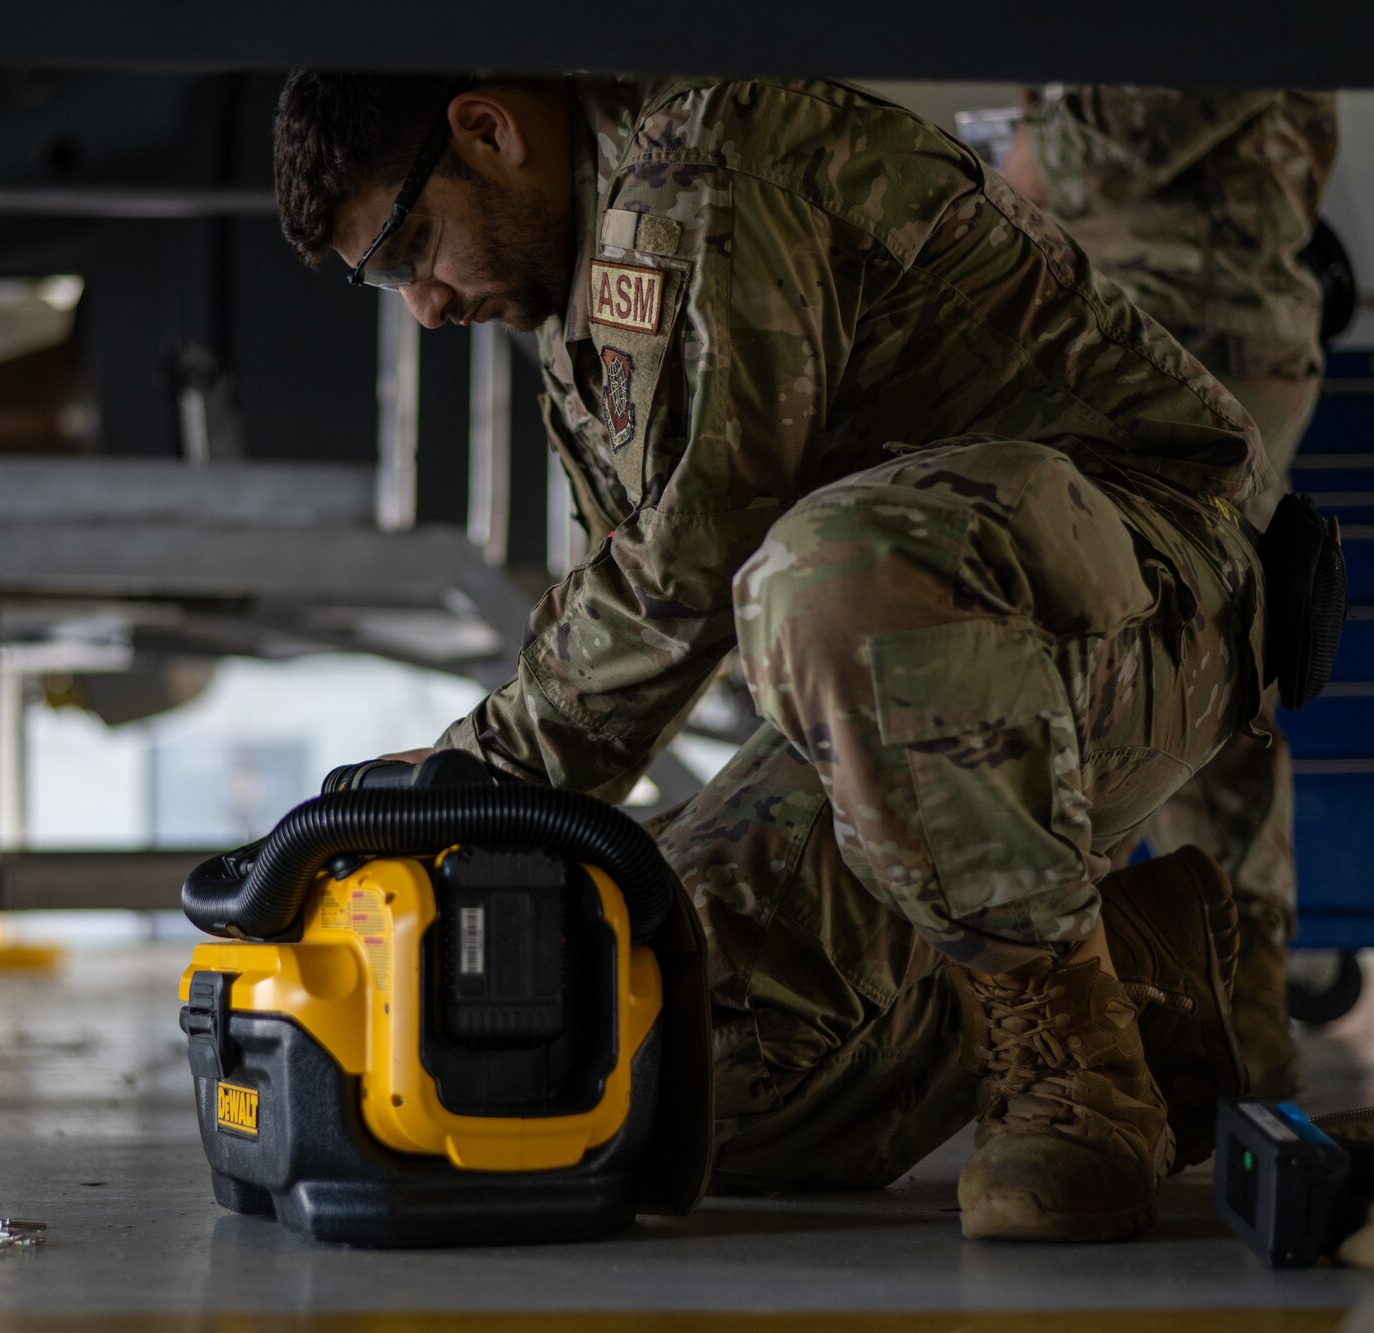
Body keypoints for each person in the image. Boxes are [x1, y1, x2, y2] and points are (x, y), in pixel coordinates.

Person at [273, 71, 1270, 1242]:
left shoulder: (706, 161)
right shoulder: (574, 269)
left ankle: (1068, 1063)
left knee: (833, 568)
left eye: (406, 253)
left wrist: (476, 782)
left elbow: (694, 559)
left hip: (1139, 600)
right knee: (650, 1058)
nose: (426, 309)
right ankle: (1145, 983)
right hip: (911, 687)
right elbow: (634, 583)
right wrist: (486, 802)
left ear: (486, 131)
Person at [1004, 87, 1340, 1096]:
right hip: (1177, 306)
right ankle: (1215, 995)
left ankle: (1207, 1000)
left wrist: (1027, 157)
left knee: (1179, 641)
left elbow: (1115, 134)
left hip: (1178, 315)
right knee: (1203, 639)